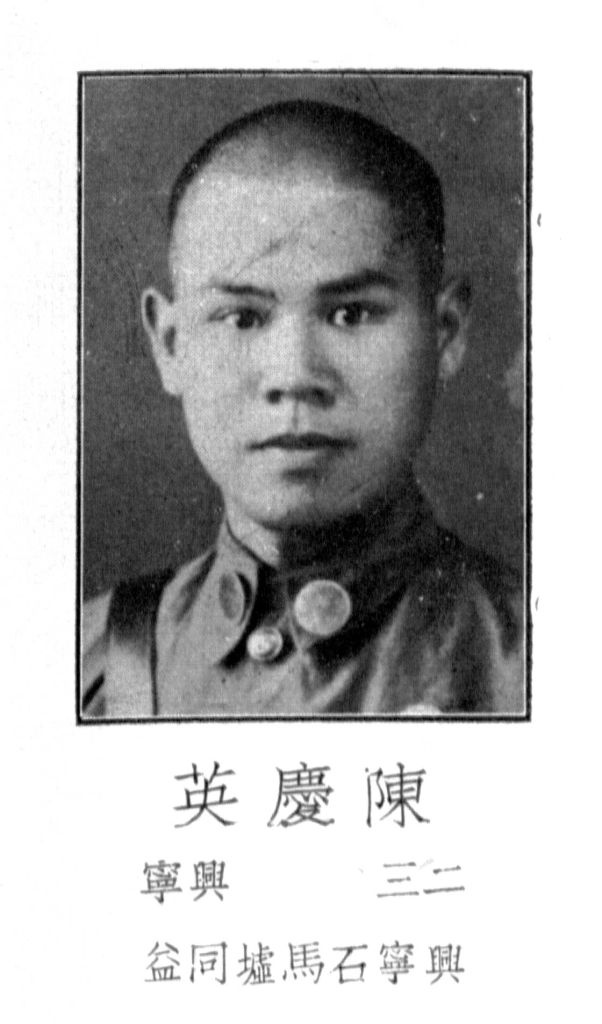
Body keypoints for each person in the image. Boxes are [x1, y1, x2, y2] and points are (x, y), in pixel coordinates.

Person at [82, 99, 525, 719]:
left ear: (445, 331)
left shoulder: (545, 663)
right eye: (242, 317)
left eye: (351, 314)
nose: (294, 376)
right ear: (170, 344)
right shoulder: (86, 663)